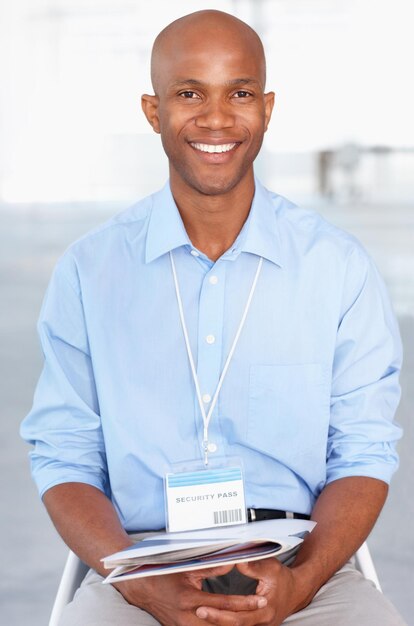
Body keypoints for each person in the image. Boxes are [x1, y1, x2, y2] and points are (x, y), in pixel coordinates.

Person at [21, 9, 406, 626]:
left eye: (241, 93)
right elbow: (65, 458)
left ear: (268, 107)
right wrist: (142, 586)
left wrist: (302, 583)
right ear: (153, 112)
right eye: (189, 92)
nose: (218, 117)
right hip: (142, 567)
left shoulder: (336, 267)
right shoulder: (90, 272)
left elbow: (361, 453)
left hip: (296, 566)